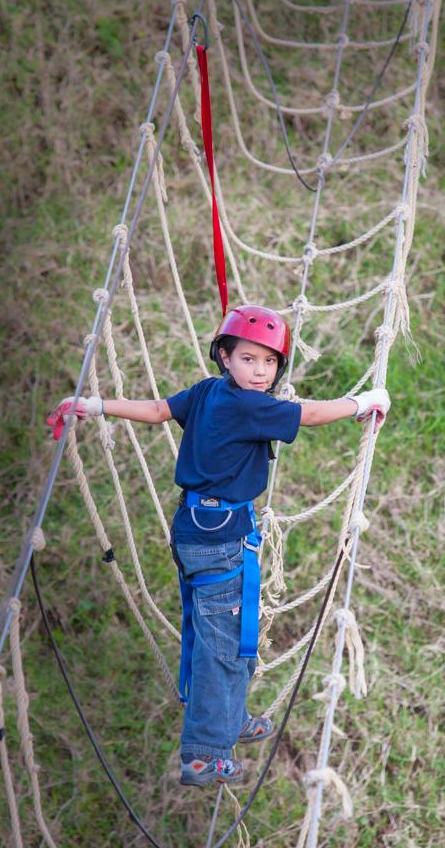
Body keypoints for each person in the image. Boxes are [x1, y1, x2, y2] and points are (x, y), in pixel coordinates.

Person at [47, 305, 390, 786]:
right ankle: (205, 752)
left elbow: (156, 411)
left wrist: (95, 405)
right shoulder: (248, 405)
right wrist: (366, 402)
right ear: (224, 357)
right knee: (223, 644)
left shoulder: (209, 392)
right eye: (249, 359)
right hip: (221, 534)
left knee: (227, 629)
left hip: (196, 524)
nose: (260, 371)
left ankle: (229, 721)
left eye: (270, 363)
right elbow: (309, 414)